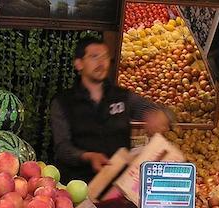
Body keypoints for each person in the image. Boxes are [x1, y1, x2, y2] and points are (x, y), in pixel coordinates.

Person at [50, 37, 172, 183]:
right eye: (94, 57)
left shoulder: (122, 96)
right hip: (79, 187)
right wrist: (88, 156)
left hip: (118, 186)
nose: (102, 63)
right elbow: (62, 148)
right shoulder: (63, 102)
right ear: (79, 64)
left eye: (105, 57)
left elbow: (154, 110)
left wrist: (160, 115)